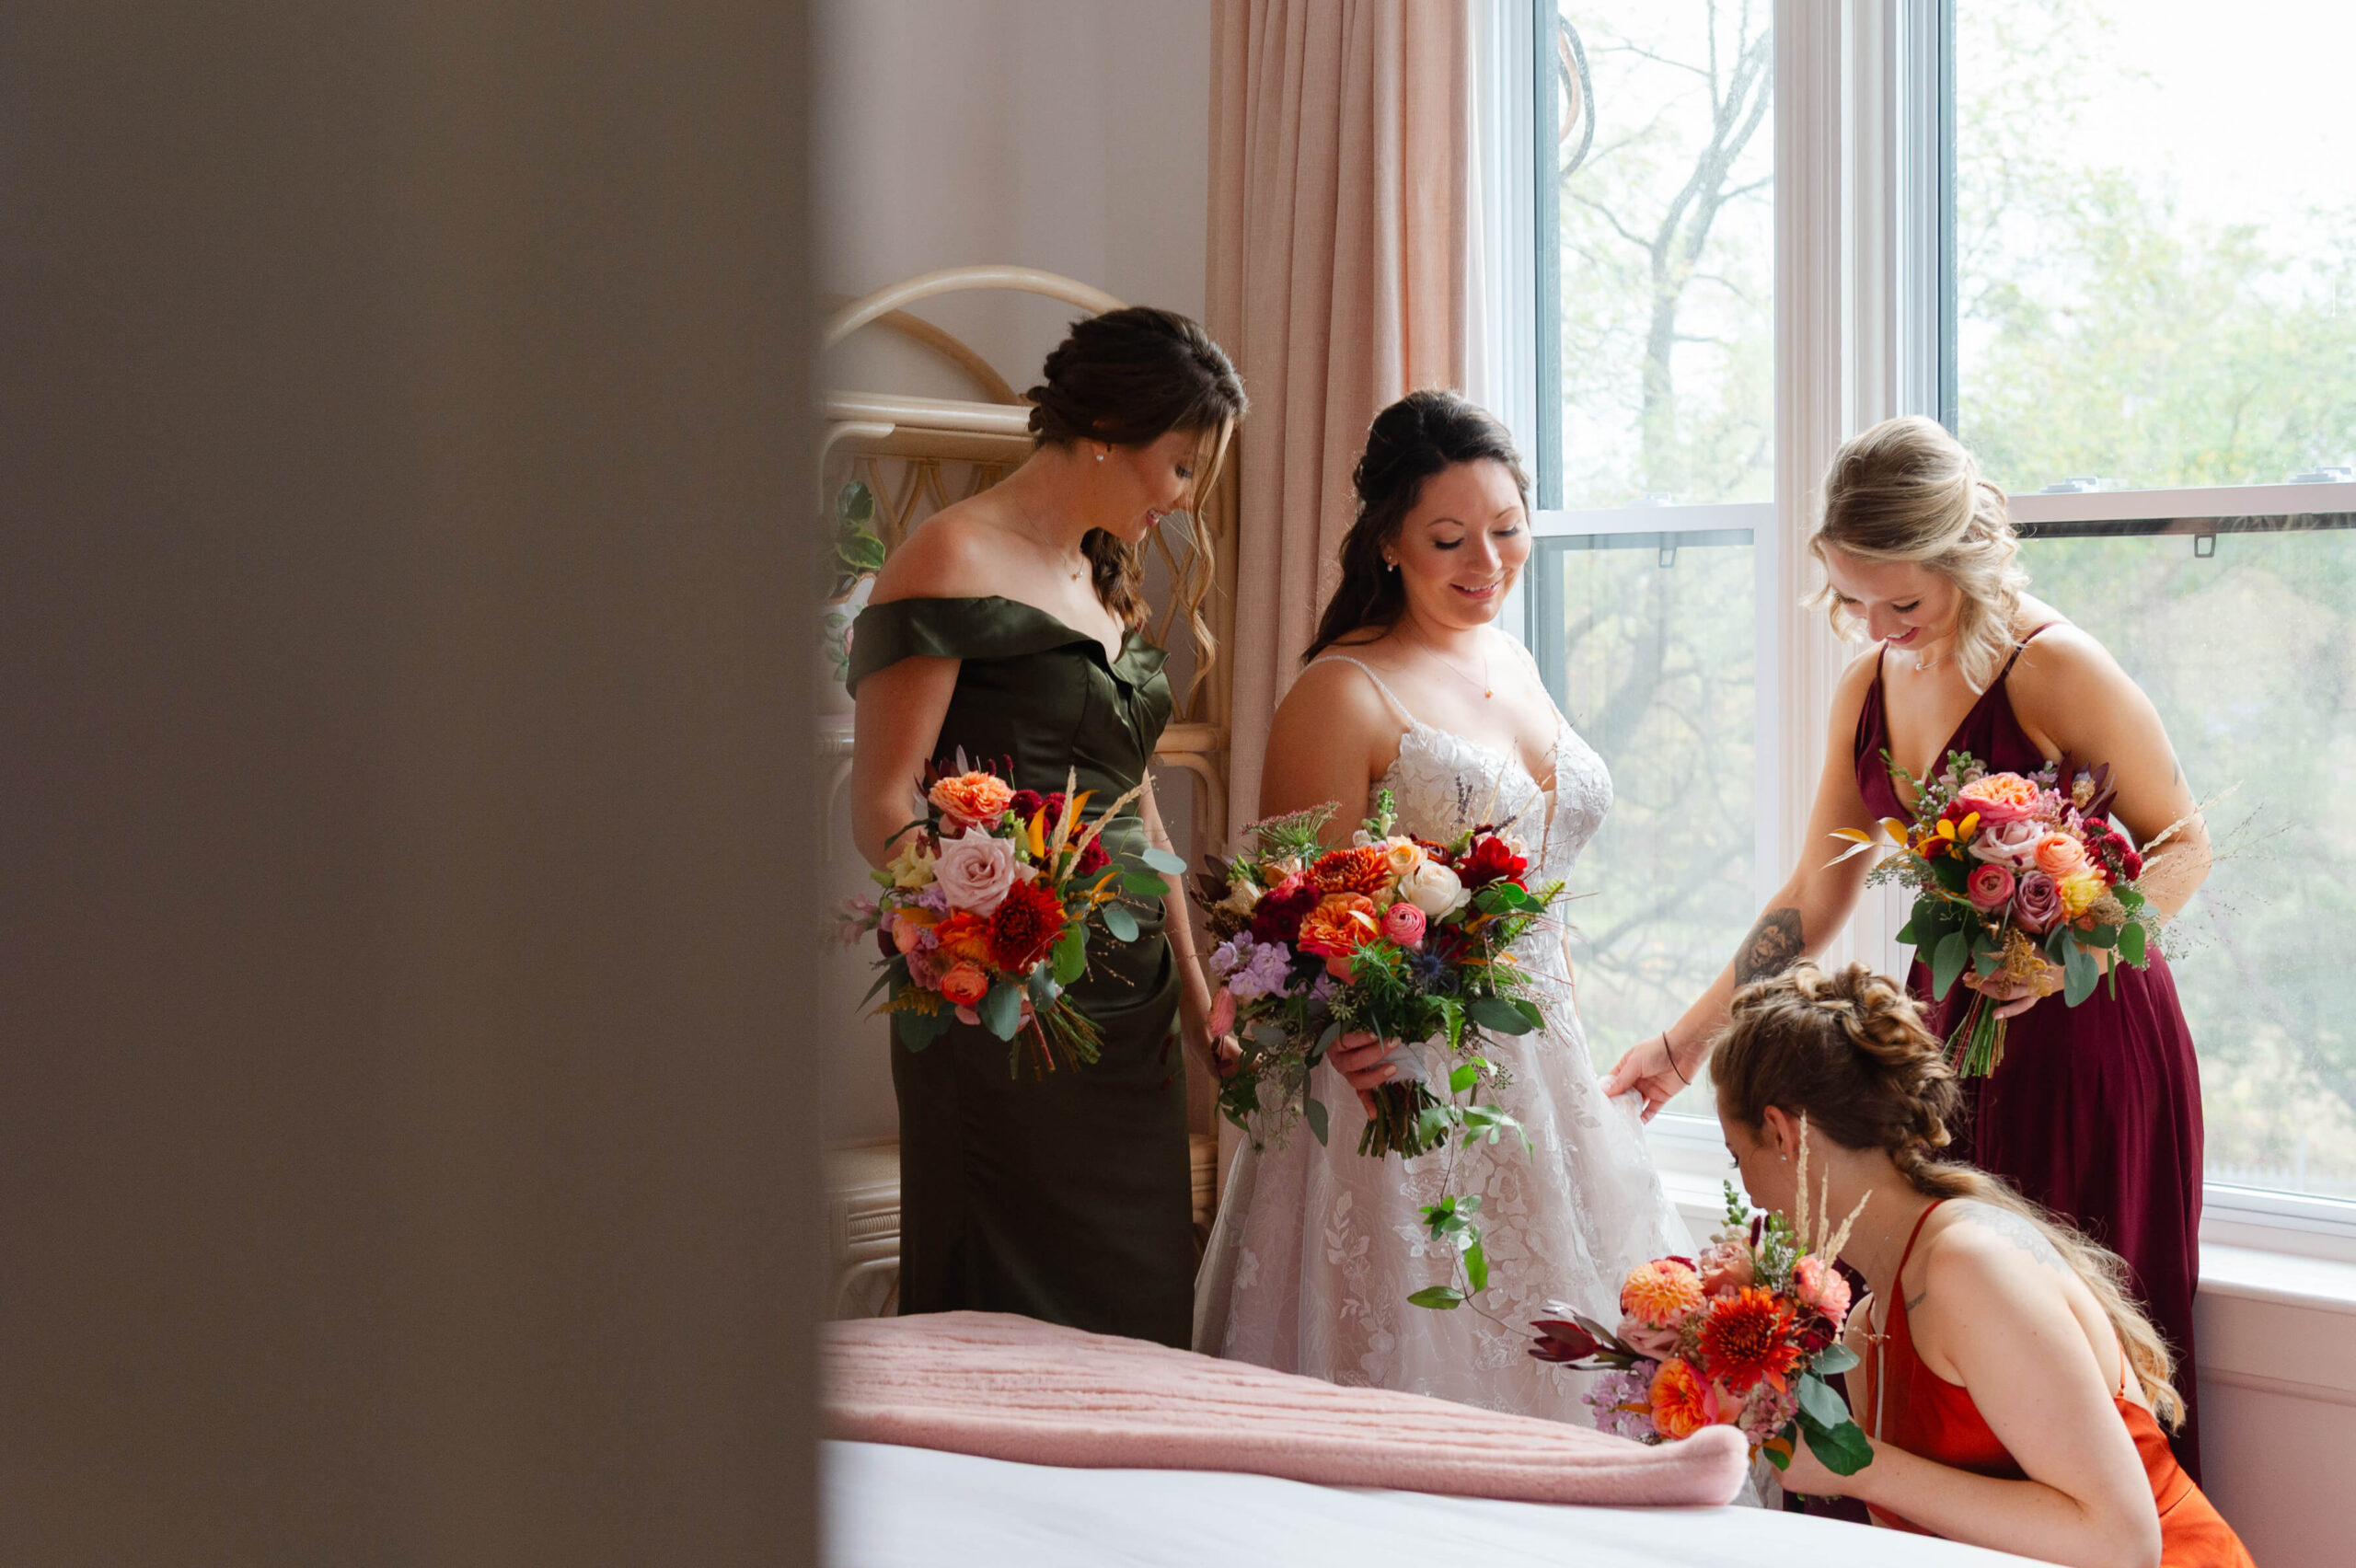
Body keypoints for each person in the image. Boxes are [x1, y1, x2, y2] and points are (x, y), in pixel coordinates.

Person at [1606, 415, 2212, 1473]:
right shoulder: (1866, 692)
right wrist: (1684, 1041)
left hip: (2086, 1038)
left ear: (1963, 562)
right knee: (1954, 1346)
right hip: (1942, 1047)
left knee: (2088, 1357)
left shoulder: (2053, 664)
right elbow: (1813, 895)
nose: (1877, 624)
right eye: (1851, 597)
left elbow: (2183, 843)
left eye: (1902, 601)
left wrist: (2065, 945)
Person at [1195, 390, 1686, 1417]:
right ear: (1388, 543)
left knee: (1579, 1368)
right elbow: (1287, 920)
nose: (1486, 564)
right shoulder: (1343, 690)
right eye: (1450, 539)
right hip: (1403, 1090)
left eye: (1507, 532)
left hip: (1547, 1067)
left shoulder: (1512, 655)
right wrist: (1346, 1039)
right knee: (1433, 1363)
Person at [847, 306, 1244, 1349]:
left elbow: (1138, 809)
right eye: (1180, 465)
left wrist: (1199, 997)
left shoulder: (1107, 578)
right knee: (1001, 1308)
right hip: (997, 1003)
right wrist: (975, 941)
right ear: (1108, 428)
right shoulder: (948, 555)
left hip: (1131, 1011)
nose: (1182, 496)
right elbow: (883, 803)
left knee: (1137, 1303)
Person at [1715, 962, 2251, 1566]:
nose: (1751, 1197)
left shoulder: (1968, 1266)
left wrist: (1860, 1467)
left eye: (1739, 1159)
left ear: (1782, 1133)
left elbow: (2124, 1545)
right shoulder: (1867, 1326)